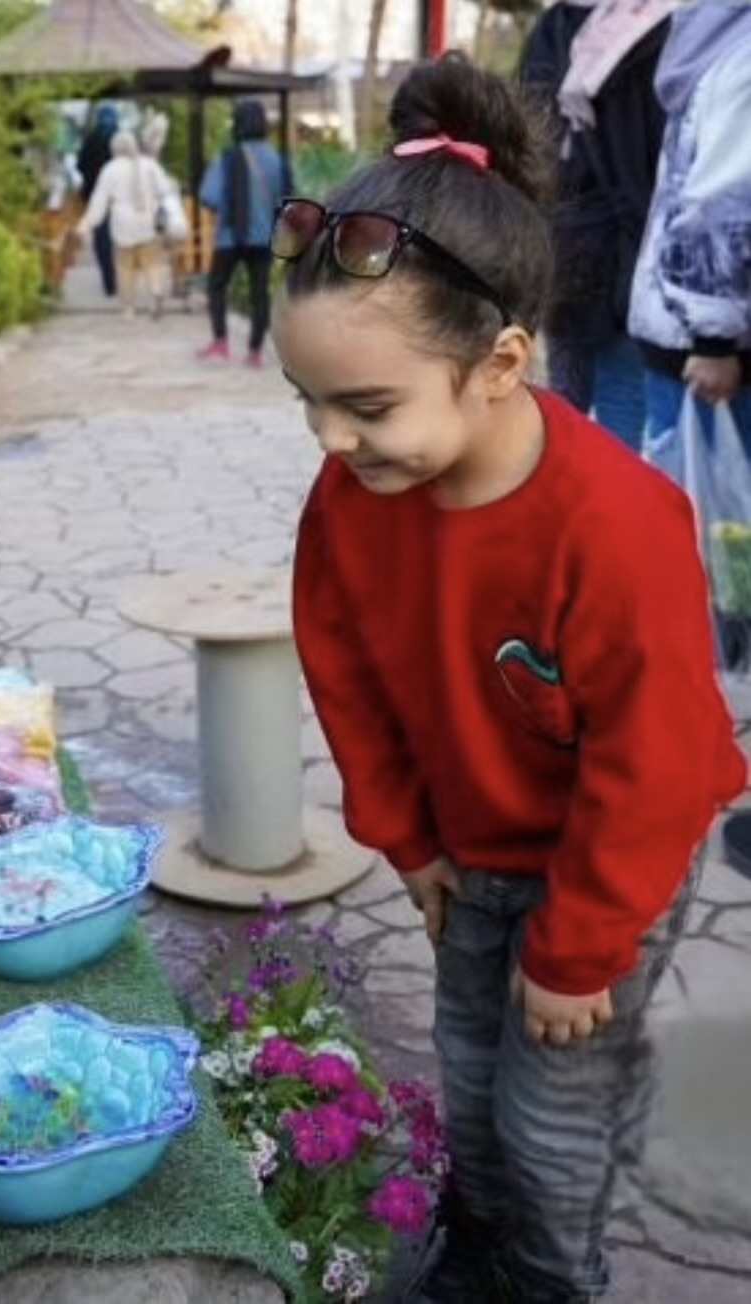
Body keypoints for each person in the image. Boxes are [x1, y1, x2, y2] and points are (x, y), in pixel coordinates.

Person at [273, 54, 745, 1304]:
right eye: (309, 402)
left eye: (366, 405)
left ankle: (549, 1277)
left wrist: (581, 948)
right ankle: (475, 1251)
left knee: (551, 1117)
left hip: (608, 862)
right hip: (470, 847)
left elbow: (654, 764)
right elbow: (342, 667)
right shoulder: (354, 492)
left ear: (502, 362)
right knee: (472, 1078)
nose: (332, 440)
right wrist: (407, 835)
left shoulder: (619, 523)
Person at [518, 0, 672, 449]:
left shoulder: (561, 28)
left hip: (583, 241)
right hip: (600, 243)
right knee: (602, 399)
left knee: (581, 398)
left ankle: (575, 484)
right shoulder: (650, 25)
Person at [627, 2, 751, 453]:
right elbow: (720, 203)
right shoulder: (744, 58)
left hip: (689, 326)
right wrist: (714, 340)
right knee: (705, 492)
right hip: (714, 346)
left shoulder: (720, 37)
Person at [197, 99, 291, 368]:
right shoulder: (276, 160)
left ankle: (220, 343)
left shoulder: (228, 159)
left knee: (217, 286)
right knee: (259, 293)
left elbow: (208, 196)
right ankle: (255, 352)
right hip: (264, 238)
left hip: (229, 237)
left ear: (237, 124)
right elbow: (287, 200)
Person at [76, 131, 176, 320]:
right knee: (152, 264)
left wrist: (86, 223)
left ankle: (129, 309)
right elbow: (165, 190)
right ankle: (156, 291)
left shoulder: (110, 169)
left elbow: (99, 202)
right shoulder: (150, 165)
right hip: (148, 224)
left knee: (125, 269)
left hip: (123, 228)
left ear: (114, 149)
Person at [75, 103, 121, 299]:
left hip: (95, 196)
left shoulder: (91, 139)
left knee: (102, 239)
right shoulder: (121, 139)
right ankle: (124, 276)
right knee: (123, 237)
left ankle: (109, 282)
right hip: (119, 198)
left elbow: (79, 165)